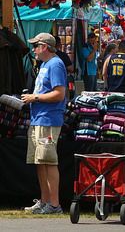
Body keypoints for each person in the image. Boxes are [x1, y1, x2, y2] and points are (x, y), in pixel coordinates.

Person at [21, 33, 67, 215]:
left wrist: (35, 97)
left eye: (35, 46)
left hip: (49, 119)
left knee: (49, 161)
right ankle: (44, 201)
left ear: (45, 46)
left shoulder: (55, 64)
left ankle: (54, 205)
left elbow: (59, 94)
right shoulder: (45, 65)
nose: (33, 50)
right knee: (40, 161)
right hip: (38, 119)